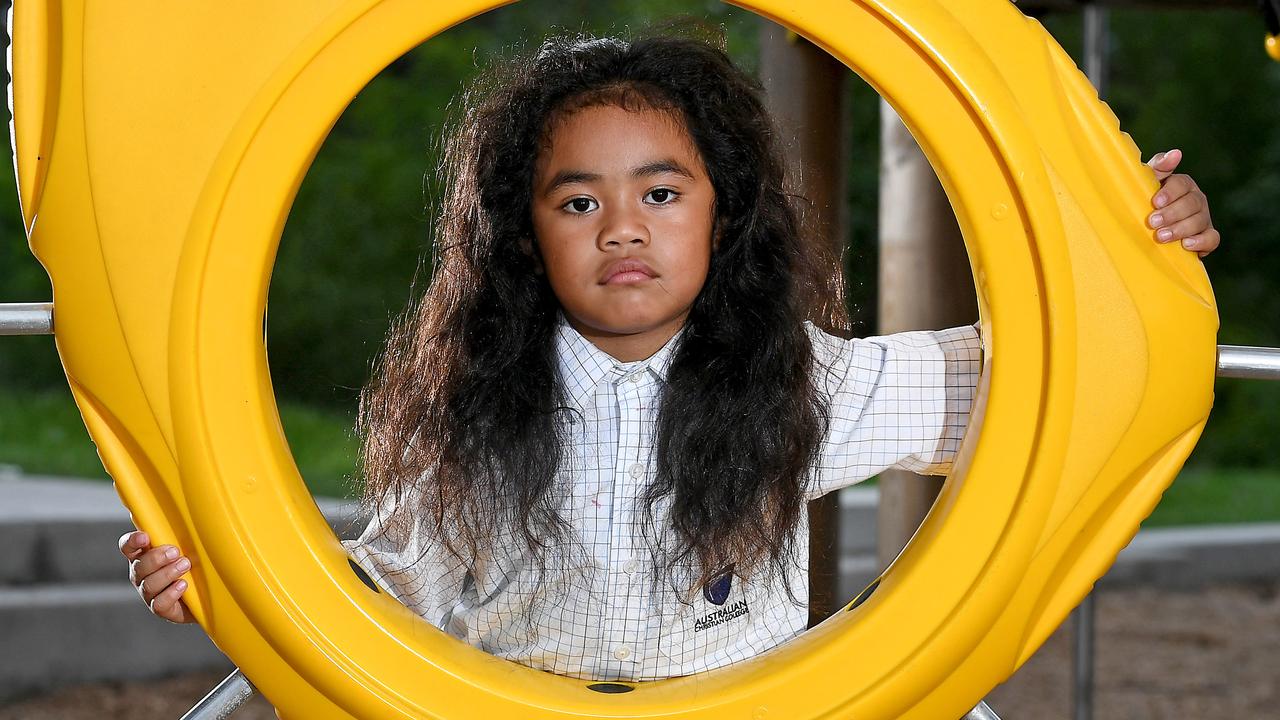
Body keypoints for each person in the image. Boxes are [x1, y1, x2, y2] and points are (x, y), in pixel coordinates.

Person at [118, 29, 1221, 682]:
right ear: (522, 233)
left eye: (660, 191)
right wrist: (215, 581)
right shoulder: (478, 410)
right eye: (576, 199)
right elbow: (379, 591)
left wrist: (1135, 245)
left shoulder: (799, 381)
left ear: (721, 215)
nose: (621, 227)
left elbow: (1047, 373)